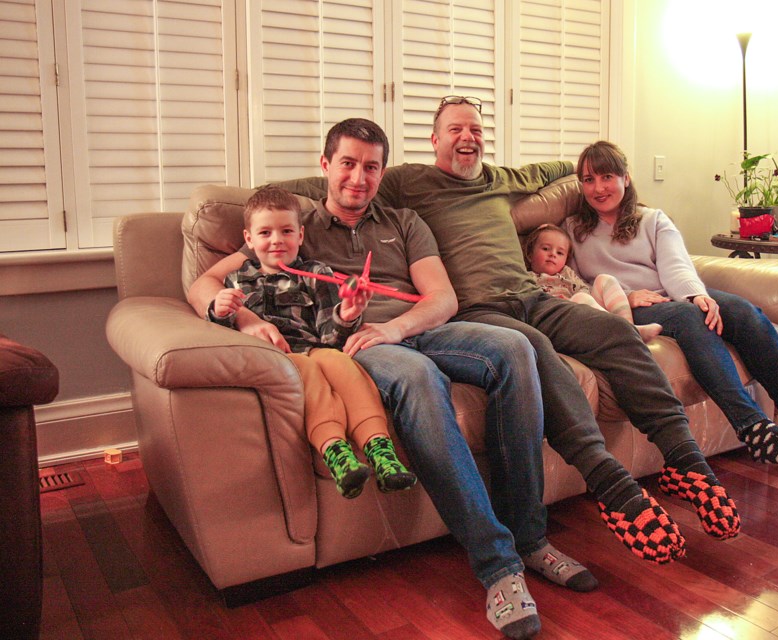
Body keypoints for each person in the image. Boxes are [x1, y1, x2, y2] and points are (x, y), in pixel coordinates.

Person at [273, 96, 741, 560]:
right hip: (479, 311)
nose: (467, 137)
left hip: (535, 296)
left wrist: (595, 167)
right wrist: (256, 203)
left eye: (475, 130)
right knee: (530, 346)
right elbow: (333, 183)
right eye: (455, 130)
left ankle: (687, 462)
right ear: (434, 140)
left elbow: (555, 171)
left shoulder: (500, 179)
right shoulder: (407, 183)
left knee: (615, 333)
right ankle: (607, 482)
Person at [189, 119, 597, 640]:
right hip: (358, 345)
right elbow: (206, 281)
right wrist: (245, 318)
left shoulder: (406, 221)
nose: (359, 177)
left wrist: (397, 325)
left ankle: (531, 539)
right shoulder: (296, 226)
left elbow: (443, 299)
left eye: (371, 166)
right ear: (325, 167)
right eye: (348, 164)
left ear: (383, 172)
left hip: (417, 329)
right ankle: (499, 567)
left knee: (515, 347)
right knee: (421, 378)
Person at [566, 140, 778, 474]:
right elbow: (569, 281)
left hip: (673, 292)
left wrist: (696, 296)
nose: (598, 187)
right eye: (588, 180)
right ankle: (753, 427)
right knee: (689, 316)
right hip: (629, 306)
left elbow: (676, 265)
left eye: (607, 176)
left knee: (745, 314)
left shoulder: (652, 220)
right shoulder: (574, 229)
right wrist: (623, 295)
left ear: (626, 178)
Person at [207, 186, 416, 498]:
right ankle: (337, 454)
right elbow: (222, 328)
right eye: (265, 232)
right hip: (275, 358)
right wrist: (219, 308)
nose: (277, 240)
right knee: (307, 371)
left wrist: (347, 314)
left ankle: (381, 452)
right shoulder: (237, 279)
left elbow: (330, 337)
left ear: (300, 235)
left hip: (315, 348)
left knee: (341, 363)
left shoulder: (316, 273)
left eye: (286, 231)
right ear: (249, 239)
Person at [523, 223, 662, 342]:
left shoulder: (567, 273)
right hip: (563, 320)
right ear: (530, 254)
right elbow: (530, 302)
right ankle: (627, 332)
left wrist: (575, 300)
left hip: (586, 312)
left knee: (604, 279)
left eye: (560, 253)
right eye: (546, 249)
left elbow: (583, 289)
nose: (552, 254)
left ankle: (629, 327)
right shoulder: (528, 277)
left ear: (566, 259)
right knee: (580, 298)